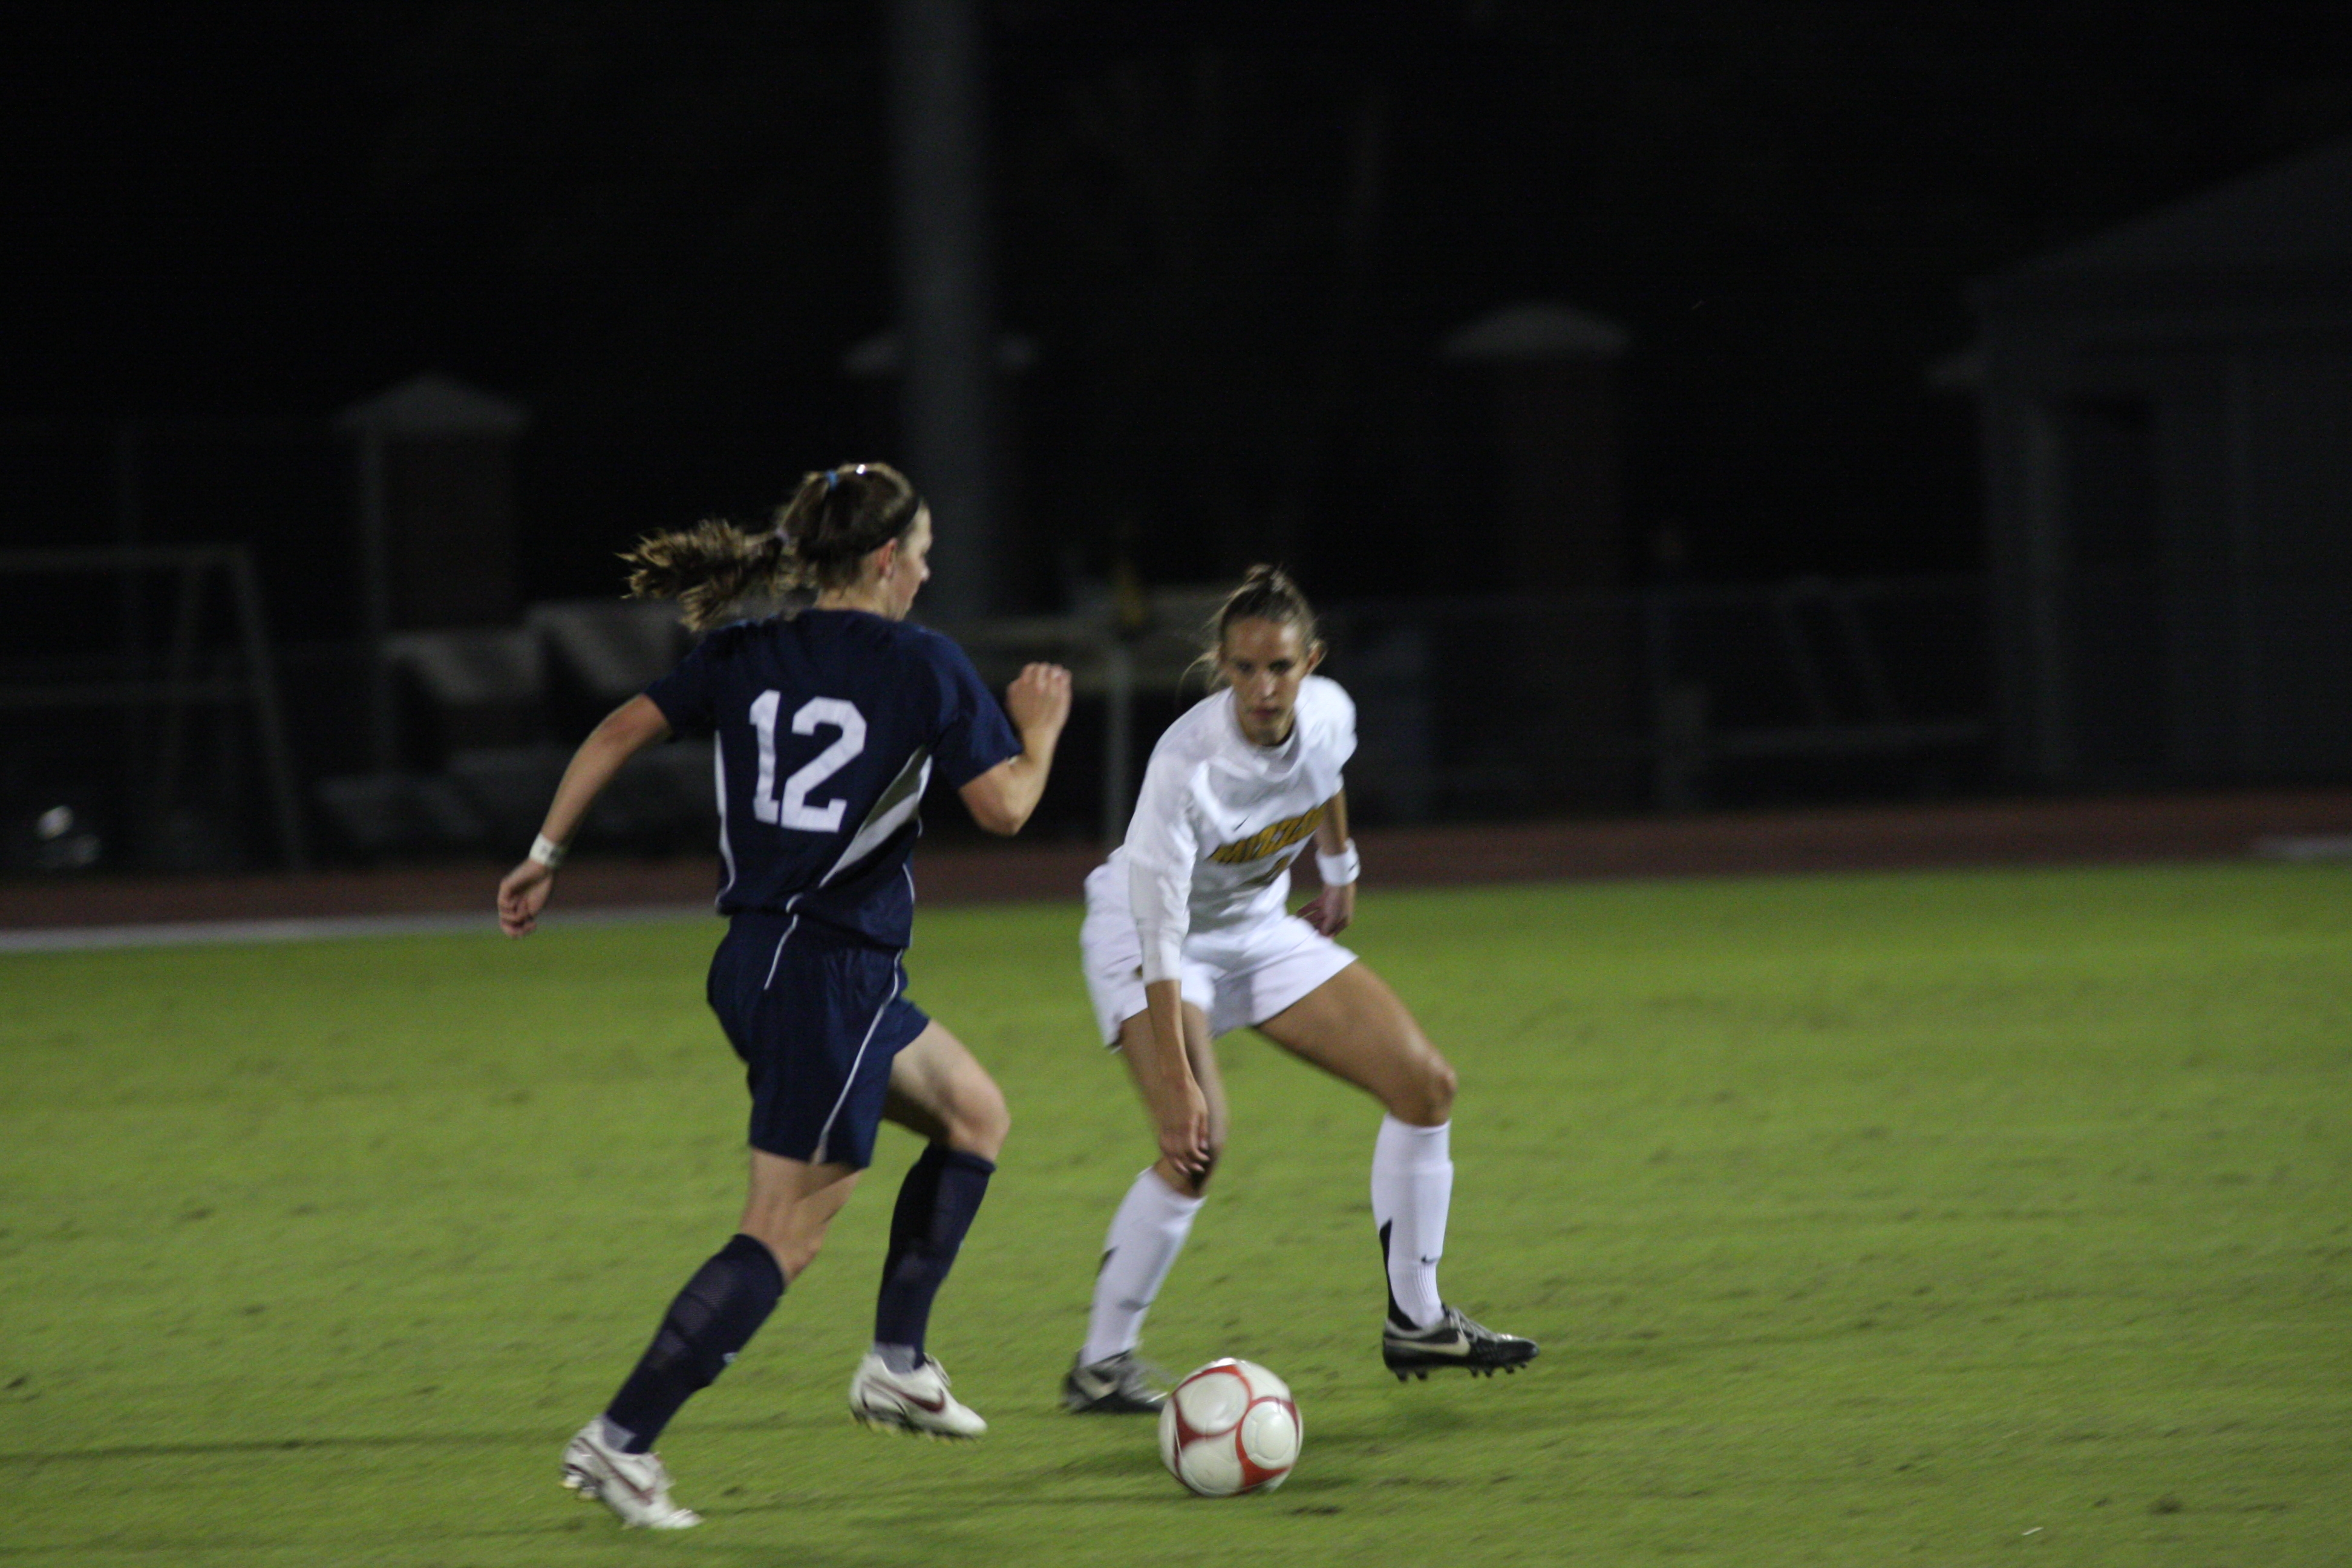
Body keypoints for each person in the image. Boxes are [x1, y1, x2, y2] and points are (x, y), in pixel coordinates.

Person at [497, 462, 1072, 1529]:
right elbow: (1006, 809)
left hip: (766, 962)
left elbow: (617, 730)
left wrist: (544, 855)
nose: (929, 572)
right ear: (888, 558)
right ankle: (621, 1442)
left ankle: (897, 1364)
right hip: (826, 975)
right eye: (924, 553)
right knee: (784, 1232)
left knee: (974, 1112)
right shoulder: (924, 663)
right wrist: (1038, 728)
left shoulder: (747, 648)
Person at [1061, 565, 1536, 1414]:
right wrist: (1176, 1083)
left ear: (1309, 663)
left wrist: (1340, 868)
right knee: (1198, 1144)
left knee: (1427, 1085)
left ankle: (1418, 1320)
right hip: (1150, 937)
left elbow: (1325, 775)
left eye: (1279, 667)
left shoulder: (1329, 711)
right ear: (1222, 668)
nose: (1263, 688)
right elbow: (1161, 936)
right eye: (1244, 669)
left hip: (1255, 925)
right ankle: (1102, 1363)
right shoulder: (1185, 765)